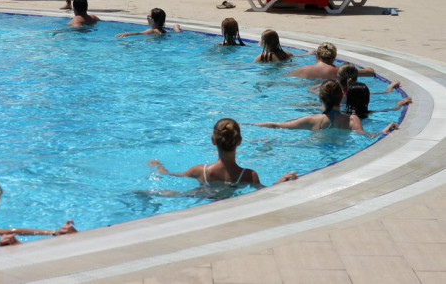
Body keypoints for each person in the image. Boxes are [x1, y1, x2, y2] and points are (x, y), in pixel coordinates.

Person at [148, 118, 297, 194]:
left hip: (203, 198)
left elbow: (170, 175)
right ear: (239, 141)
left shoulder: (200, 171)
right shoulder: (248, 175)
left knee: (183, 194)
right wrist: (279, 182)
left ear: (213, 140)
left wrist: (159, 166)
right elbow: (264, 193)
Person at [252, 80, 399, 136]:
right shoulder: (352, 120)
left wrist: (249, 124)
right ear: (341, 98)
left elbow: (277, 125)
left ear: (320, 99)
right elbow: (367, 136)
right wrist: (384, 130)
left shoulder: (310, 120)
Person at [345, 82, 412, 119]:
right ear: (367, 99)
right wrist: (400, 103)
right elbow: (393, 109)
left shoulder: (343, 115)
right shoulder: (366, 113)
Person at [116, 8, 181, 37]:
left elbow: (139, 33)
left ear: (154, 19)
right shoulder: (164, 31)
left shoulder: (152, 31)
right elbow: (177, 33)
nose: (147, 17)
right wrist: (176, 28)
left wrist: (128, 33)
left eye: (149, 16)